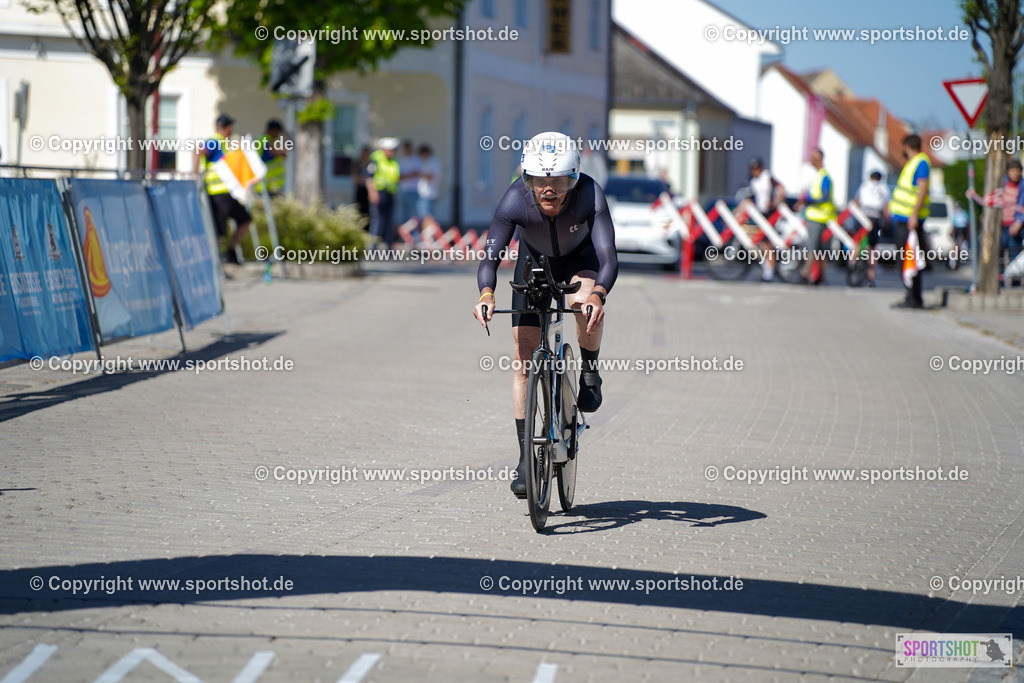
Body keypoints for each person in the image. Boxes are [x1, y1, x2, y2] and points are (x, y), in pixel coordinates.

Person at [473, 131, 618, 498]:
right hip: (533, 263)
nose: (548, 190)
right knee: (523, 357)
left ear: (573, 180)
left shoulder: (589, 193)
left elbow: (608, 258)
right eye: (540, 182)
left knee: (583, 304)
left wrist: (598, 296)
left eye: (557, 182)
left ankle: (588, 371)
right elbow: (490, 257)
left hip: (580, 260)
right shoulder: (513, 201)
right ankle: (525, 459)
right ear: (528, 180)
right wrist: (486, 295)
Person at [193, 114, 252, 264]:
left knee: (243, 220)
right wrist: (194, 176)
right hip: (218, 193)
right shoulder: (216, 141)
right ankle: (215, 262)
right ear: (228, 128)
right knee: (219, 230)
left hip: (224, 193)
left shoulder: (221, 142)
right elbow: (199, 150)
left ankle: (228, 254)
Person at [887, 134, 931, 308]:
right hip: (904, 219)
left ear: (906, 146)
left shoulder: (920, 162)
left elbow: (922, 189)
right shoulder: (913, 163)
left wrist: (914, 214)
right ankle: (911, 296)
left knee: (909, 259)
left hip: (910, 220)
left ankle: (913, 298)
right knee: (907, 258)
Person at [797, 148, 835, 285]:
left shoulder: (824, 176)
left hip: (818, 217)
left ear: (819, 158)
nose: (811, 160)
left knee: (813, 248)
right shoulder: (819, 175)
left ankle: (805, 274)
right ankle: (820, 277)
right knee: (820, 249)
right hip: (820, 217)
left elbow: (824, 196)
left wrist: (807, 199)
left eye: (813, 157)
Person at [745, 157, 785, 281]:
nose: (755, 171)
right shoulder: (753, 182)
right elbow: (751, 198)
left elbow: (781, 188)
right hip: (760, 213)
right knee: (761, 243)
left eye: (757, 168)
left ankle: (769, 271)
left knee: (768, 243)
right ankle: (767, 268)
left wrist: (775, 202)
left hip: (769, 213)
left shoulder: (768, 177)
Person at [850, 171, 889, 286]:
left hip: (862, 217)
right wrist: (886, 224)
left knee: (857, 242)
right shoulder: (884, 188)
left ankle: (852, 263)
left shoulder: (864, 186)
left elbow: (856, 202)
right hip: (875, 218)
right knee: (872, 248)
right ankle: (871, 277)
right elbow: (886, 209)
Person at [366, 137, 400, 247]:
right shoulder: (375, 159)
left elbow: (395, 177)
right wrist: (372, 192)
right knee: (377, 220)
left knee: (389, 220)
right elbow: (369, 177)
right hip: (378, 192)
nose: (393, 152)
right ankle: (373, 247)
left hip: (389, 193)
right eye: (391, 150)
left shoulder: (393, 161)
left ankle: (389, 246)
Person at [1000, 159, 1024, 285]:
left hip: (1015, 227)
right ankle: (998, 282)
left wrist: (1019, 222)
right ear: (1008, 172)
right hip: (1001, 225)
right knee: (998, 256)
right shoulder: (1002, 184)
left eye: (1018, 170)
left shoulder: (1023, 186)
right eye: (1013, 170)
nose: (1016, 173)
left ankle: (1014, 284)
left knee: (1014, 257)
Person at [257, 120, 288, 196]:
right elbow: (277, 152)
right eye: (277, 132)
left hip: (270, 184)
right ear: (273, 130)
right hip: (268, 183)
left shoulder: (266, 140)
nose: (277, 135)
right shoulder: (265, 139)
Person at [416, 144, 442, 228]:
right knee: (425, 216)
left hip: (428, 194)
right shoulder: (428, 162)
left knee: (427, 216)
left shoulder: (433, 162)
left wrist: (420, 174)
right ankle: (427, 235)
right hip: (426, 194)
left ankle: (428, 236)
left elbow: (431, 176)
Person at [397, 139, 421, 227]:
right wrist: (408, 175)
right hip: (403, 190)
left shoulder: (416, 160)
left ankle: (414, 236)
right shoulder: (401, 160)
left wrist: (405, 176)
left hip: (413, 190)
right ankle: (405, 235)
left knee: (413, 215)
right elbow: (398, 177)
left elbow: (416, 173)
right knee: (404, 215)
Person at [352, 146, 372, 223]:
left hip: (369, 190)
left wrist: (366, 180)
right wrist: (365, 180)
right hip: (360, 190)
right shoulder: (357, 164)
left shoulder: (371, 164)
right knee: (359, 211)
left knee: (368, 212)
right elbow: (356, 177)